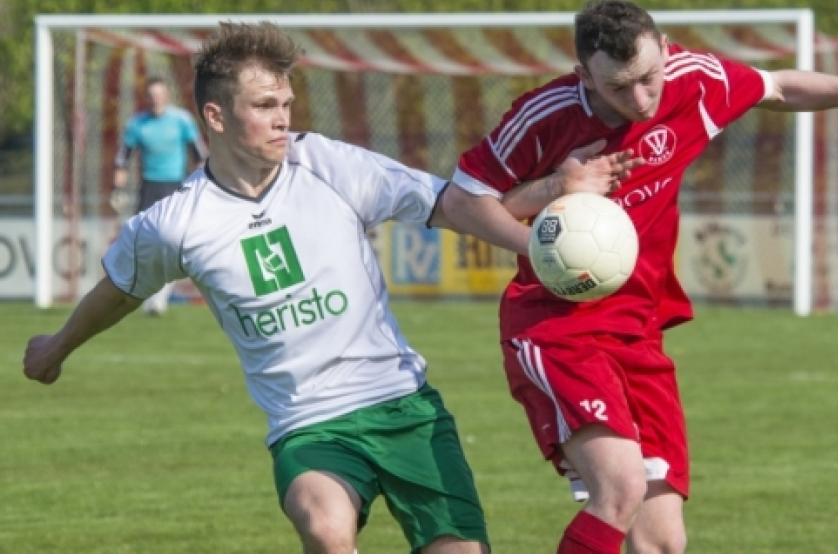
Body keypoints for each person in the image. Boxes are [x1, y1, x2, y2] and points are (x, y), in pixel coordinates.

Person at [440, 1, 838, 553]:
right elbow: (460, 204)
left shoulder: (692, 80)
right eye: (619, 87)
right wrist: (552, 201)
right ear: (584, 75)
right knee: (622, 487)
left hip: (638, 329)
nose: (641, 100)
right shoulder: (544, 116)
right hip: (556, 329)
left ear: (666, 48)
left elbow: (778, 87)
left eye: (649, 78)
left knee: (662, 541)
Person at [22, 21, 531, 554]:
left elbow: (450, 204)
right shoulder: (175, 224)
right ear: (215, 116)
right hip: (308, 425)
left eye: (285, 102)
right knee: (326, 529)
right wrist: (56, 347)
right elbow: (119, 290)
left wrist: (537, 229)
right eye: (264, 105)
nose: (282, 118)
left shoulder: (328, 165)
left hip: (403, 404)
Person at [113, 76, 207, 316]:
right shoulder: (138, 124)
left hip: (175, 185)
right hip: (148, 187)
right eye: (151, 96)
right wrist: (119, 183)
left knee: (173, 243)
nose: (155, 100)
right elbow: (123, 156)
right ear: (147, 98)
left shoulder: (181, 120)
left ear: (166, 96)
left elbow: (200, 154)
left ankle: (159, 298)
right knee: (144, 243)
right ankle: (150, 295)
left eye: (159, 95)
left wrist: (201, 183)